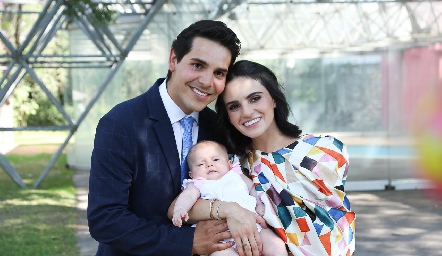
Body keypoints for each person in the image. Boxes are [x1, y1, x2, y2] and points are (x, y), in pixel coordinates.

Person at [88, 20, 264, 256]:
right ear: (173, 59)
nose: (206, 81)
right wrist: (186, 241)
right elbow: (106, 219)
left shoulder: (220, 128)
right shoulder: (122, 123)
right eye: (198, 65)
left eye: (219, 73)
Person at [214, 60, 356, 256]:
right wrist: (227, 210)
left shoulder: (324, 150)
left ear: (273, 99)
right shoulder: (235, 167)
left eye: (255, 98)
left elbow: (335, 222)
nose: (247, 112)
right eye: (234, 106)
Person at [172, 140, 287, 256]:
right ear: (191, 174)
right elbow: (187, 196)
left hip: (253, 226)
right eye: (201, 164)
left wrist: (259, 203)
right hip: (221, 237)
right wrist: (180, 209)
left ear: (229, 163)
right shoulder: (198, 184)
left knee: (276, 245)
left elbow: (252, 188)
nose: (209, 165)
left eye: (215, 159)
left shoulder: (236, 176)